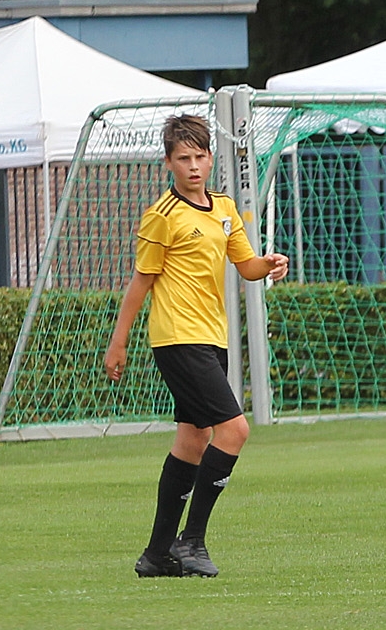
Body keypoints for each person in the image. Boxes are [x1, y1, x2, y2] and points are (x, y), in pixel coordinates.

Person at [104, 114, 289, 578]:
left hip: (210, 337)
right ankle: (192, 540)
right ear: (168, 163)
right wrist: (118, 343)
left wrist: (268, 263)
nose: (192, 166)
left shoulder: (224, 207)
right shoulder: (161, 216)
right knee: (235, 430)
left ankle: (156, 555)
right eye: (183, 158)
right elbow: (141, 282)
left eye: (199, 157)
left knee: (194, 439)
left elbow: (245, 266)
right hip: (177, 337)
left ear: (210, 160)